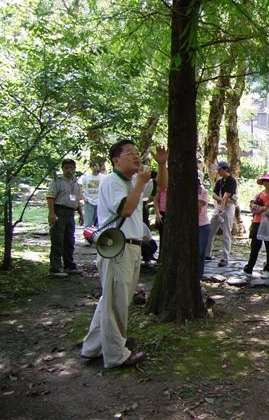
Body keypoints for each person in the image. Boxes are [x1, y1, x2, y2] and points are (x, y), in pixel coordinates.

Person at [81, 139, 168, 368]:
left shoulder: (133, 182)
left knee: (111, 300)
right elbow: (126, 210)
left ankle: (93, 347)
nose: (136, 155)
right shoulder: (113, 182)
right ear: (116, 160)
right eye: (129, 152)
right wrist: (140, 183)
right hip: (117, 247)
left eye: (136, 152)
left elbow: (162, 185)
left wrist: (162, 164)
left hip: (131, 247)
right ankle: (117, 354)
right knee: (116, 302)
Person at [46, 159, 84, 277]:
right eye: (66, 168)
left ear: (74, 168)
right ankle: (55, 268)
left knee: (69, 240)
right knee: (58, 240)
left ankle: (69, 265)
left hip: (70, 213)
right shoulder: (57, 181)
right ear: (62, 169)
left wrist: (81, 214)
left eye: (71, 168)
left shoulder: (76, 184)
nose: (69, 170)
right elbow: (50, 197)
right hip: (59, 211)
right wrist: (52, 213)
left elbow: (77, 200)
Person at [243, 173, 269, 278]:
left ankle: (268, 269)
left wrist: (260, 209)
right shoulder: (259, 194)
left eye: (268, 181)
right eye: (264, 180)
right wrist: (263, 208)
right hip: (256, 222)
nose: (266, 182)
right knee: (254, 246)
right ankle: (249, 268)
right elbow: (252, 207)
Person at [204, 161, 238, 267]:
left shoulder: (231, 181)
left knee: (226, 233)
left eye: (219, 169)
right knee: (210, 230)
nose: (218, 171)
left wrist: (222, 208)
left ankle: (225, 257)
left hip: (228, 209)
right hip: (219, 207)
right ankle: (206, 254)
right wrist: (220, 204)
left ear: (225, 169)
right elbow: (214, 194)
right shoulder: (219, 181)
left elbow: (226, 196)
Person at [79, 161, 105, 227]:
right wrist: (84, 198)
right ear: (91, 167)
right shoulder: (86, 177)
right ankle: (88, 236)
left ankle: (98, 236)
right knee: (88, 223)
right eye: (93, 166)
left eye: (97, 166)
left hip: (99, 202)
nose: (95, 168)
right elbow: (80, 189)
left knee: (99, 223)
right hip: (89, 202)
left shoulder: (104, 177)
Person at [198, 178, 211, 281]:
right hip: (191, 226)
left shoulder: (203, 191)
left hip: (202, 225)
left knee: (200, 252)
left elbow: (198, 209)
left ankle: (198, 277)